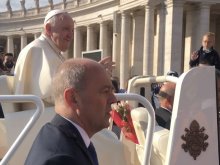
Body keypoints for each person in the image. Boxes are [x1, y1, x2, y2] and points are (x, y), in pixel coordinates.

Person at [14, 9, 114, 108]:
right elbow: (57, 94)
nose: (70, 35)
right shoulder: (37, 50)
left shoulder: (52, 51)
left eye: (72, 30)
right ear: (49, 29)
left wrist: (95, 76)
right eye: (66, 29)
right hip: (43, 116)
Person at [25, 58, 117, 165]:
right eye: (105, 91)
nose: (113, 99)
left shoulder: (58, 137)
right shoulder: (62, 159)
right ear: (73, 98)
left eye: (112, 91)